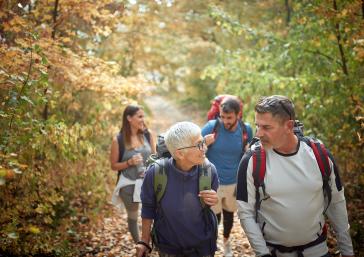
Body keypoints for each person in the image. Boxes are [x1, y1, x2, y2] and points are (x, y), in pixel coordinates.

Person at [236, 95, 355, 257]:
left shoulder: (319, 156)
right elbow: (245, 212)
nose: (258, 134)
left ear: (289, 126)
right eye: (258, 126)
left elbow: (337, 203)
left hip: (317, 251)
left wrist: (347, 251)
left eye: (267, 127)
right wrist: (262, 254)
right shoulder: (252, 161)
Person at [136, 121, 219, 257]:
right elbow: (148, 207)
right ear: (180, 154)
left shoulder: (209, 171)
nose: (205, 147)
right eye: (199, 144)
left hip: (202, 247)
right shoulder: (156, 173)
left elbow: (207, 206)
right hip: (168, 248)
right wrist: (144, 241)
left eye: (203, 141)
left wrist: (213, 199)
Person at [202, 96, 253, 257]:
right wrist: (204, 143)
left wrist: (248, 151)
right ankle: (212, 243)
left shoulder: (246, 130)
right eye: (222, 117)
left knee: (229, 215)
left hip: (234, 182)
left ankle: (226, 241)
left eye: (229, 117)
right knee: (214, 217)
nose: (225, 121)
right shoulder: (212, 126)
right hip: (213, 182)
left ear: (238, 115)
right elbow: (194, 149)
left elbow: (250, 153)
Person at [110, 104, 156, 243]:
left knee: (153, 213)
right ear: (129, 118)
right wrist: (129, 162)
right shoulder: (118, 140)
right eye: (139, 116)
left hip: (148, 182)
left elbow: (155, 157)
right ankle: (140, 246)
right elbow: (113, 166)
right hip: (128, 184)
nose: (143, 119)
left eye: (143, 116)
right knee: (133, 216)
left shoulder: (147, 135)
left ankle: (153, 241)